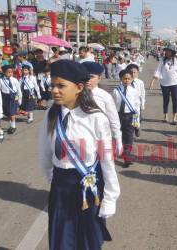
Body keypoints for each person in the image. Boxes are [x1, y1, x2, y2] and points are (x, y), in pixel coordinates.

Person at [38, 60, 120, 249]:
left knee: (87, 240)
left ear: (79, 87)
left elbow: (107, 161)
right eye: (52, 85)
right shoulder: (51, 114)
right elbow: (44, 151)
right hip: (61, 185)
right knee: (62, 240)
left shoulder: (96, 118)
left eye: (61, 86)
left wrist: (110, 197)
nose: (55, 90)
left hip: (88, 188)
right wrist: (53, 177)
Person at [82, 61, 123, 156]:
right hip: (80, 138)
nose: (88, 80)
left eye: (92, 77)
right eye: (86, 76)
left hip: (100, 138)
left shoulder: (105, 96)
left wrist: (118, 139)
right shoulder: (74, 94)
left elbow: (114, 120)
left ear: (99, 78)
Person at [150, 45, 177, 125]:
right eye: (166, 51)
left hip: (175, 83)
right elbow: (158, 71)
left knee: (175, 100)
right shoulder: (163, 60)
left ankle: (174, 118)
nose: (167, 52)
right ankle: (165, 116)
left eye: (169, 51)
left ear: (172, 52)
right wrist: (152, 82)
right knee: (166, 100)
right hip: (164, 84)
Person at [113, 69, 140, 168]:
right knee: (119, 137)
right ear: (121, 79)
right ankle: (118, 153)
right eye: (125, 78)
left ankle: (127, 158)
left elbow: (137, 106)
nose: (127, 80)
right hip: (119, 116)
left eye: (129, 78)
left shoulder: (134, 91)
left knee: (129, 137)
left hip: (130, 116)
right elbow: (113, 104)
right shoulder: (116, 90)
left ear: (132, 79)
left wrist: (137, 123)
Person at [0, 65, 22, 134]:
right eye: (8, 72)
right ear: (4, 72)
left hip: (14, 97)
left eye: (11, 72)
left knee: (12, 113)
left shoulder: (14, 79)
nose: (10, 73)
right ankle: (11, 125)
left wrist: (19, 99)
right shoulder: (1, 80)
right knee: (8, 113)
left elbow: (18, 90)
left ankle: (13, 126)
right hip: (5, 98)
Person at [126, 63, 146, 137]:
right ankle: (130, 134)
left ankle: (136, 128)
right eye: (130, 72)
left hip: (137, 104)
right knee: (128, 120)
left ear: (137, 72)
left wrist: (142, 104)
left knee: (136, 119)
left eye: (134, 72)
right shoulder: (125, 82)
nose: (132, 74)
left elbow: (142, 94)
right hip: (128, 104)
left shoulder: (140, 82)